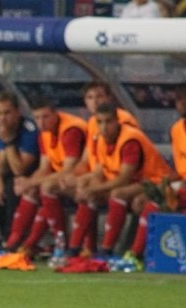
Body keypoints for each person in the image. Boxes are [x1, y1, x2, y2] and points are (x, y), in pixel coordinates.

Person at [68, 103, 171, 258]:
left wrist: (94, 189)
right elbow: (100, 170)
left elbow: (124, 178)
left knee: (118, 193)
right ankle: (75, 249)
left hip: (154, 181)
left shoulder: (129, 140)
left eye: (108, 121)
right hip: (133, 182)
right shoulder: (99, 139)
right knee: (88, 193)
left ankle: (108, 250)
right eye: (100, 122)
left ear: (117, 121)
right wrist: (84, 184)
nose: (104, 127)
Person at [3, 95, 86, 259]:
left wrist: (31, 181)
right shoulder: (45, 134)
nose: (41, 122)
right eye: (37, 118)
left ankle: (60, 243)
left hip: (80, 177)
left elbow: (69, 170)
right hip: (63, 178)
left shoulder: (71, 131)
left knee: (46, 186)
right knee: (31, 189)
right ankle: (16, 244)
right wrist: (27, 182)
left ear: (56, 114)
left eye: (46, 117)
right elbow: (44, 168)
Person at [126, 82, 186, 265]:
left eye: (184, 99)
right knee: (146, 201)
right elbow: (180, 168)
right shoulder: (176, 129)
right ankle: (136, 254)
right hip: (182, 183)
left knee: (162, 201)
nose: (180, 104)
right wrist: (166, 182)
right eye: (178, 100)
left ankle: (135, 255)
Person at [0, 90, 39, 245]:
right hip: (9, 174)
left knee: (12, 188)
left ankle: (11, 239)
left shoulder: (29, 129)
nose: (2, 118)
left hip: (31, 175)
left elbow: (20, 169)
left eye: (7, 113)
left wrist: (9, 142)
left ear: (18, 112)